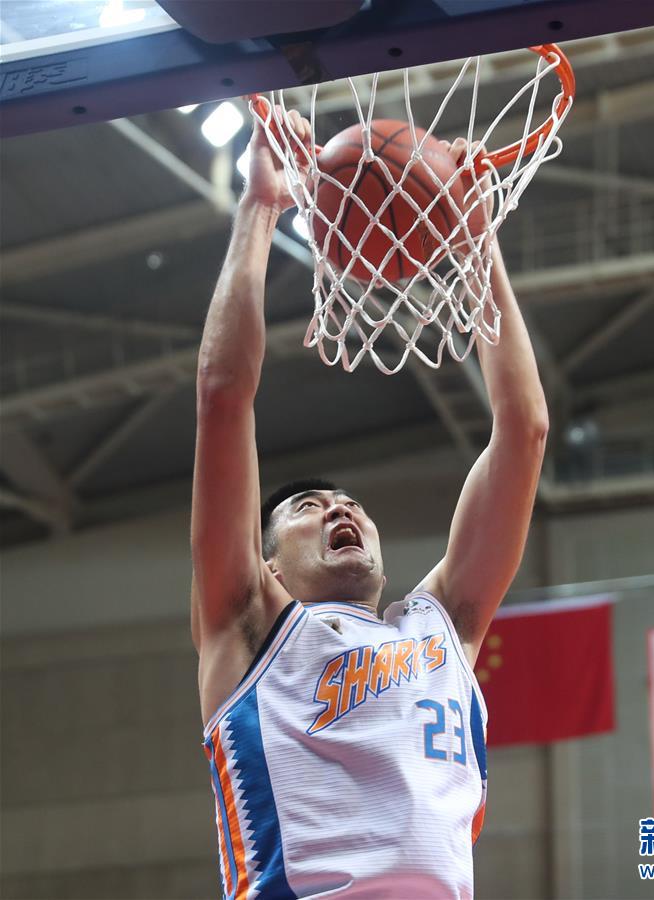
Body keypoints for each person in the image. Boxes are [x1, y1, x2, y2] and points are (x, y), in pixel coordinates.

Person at [191, 110, 549, 900]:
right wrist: (259, 208)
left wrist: (475, 239)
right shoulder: (249, 626)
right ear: (266, 566)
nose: (338, 509)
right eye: (309, 507)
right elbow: (222, 395)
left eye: (348, 502)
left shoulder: (441, 626)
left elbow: (523, 430)